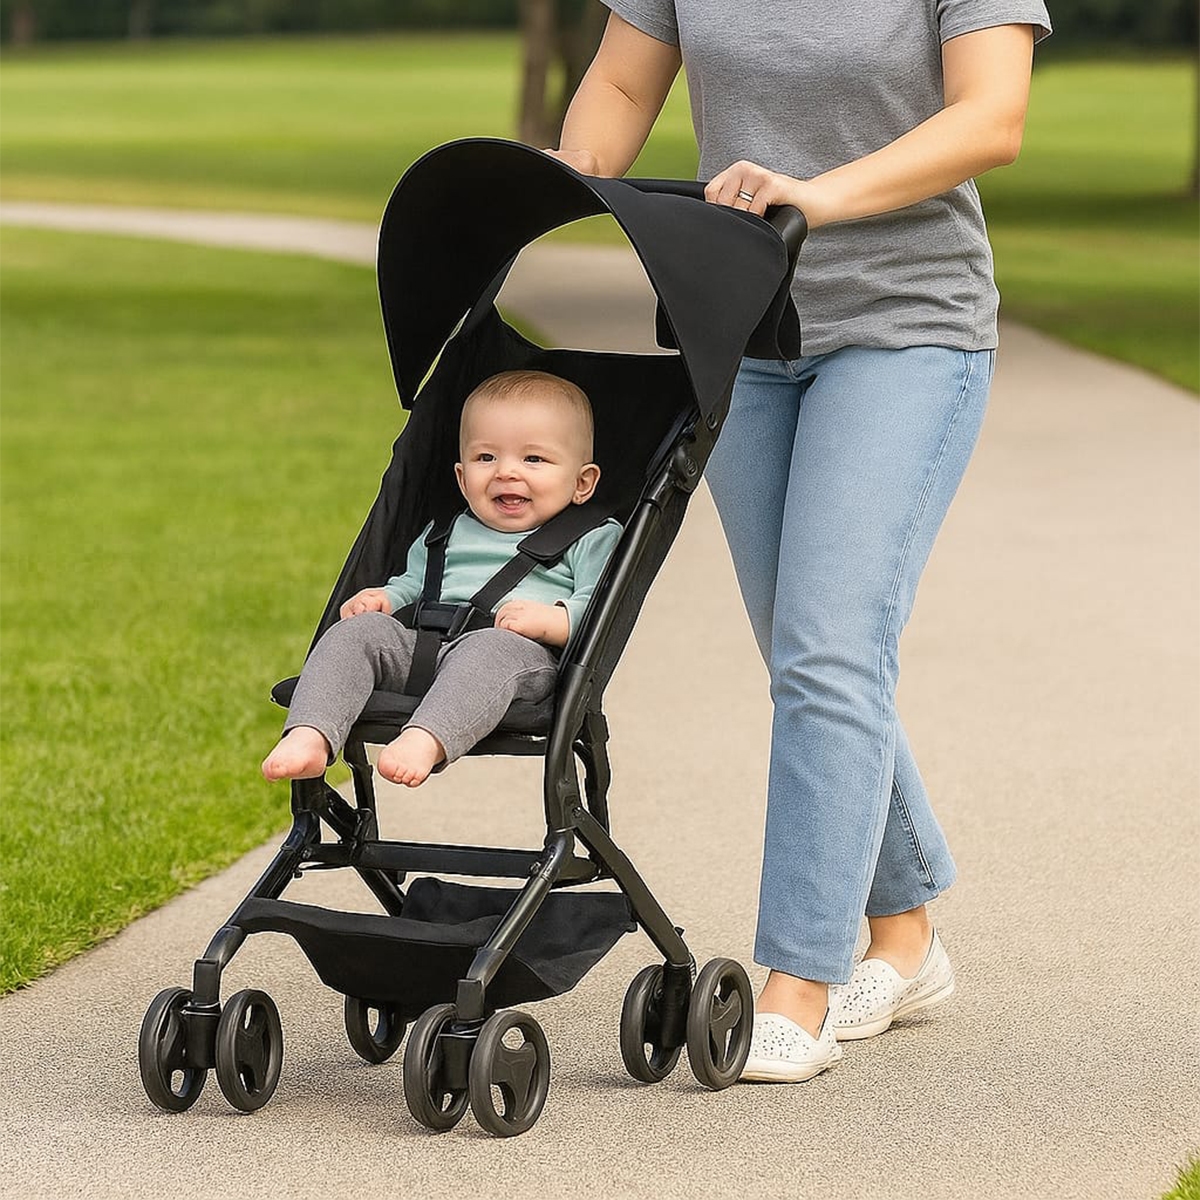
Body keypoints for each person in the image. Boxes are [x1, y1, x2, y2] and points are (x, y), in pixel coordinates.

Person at [549, 0, 1051, 1082]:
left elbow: (990, 118)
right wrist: (560, 187)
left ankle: (800, 980)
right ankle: (907, 935)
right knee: (814, 655)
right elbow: (627, 84)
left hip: (905, 327)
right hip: (738, 324)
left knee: (828, 645)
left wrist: (817, 196)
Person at [262, 369, 621, 789]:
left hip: (520, 660)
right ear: (461, 477)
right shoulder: (445, 531)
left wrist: (554, 621)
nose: (506, 472)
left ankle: (425, 737)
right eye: (486, 457)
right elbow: (414, 582)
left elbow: (601, 608)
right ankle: (311, 732)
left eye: (533, 459)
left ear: (582, 482)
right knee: (355, 633)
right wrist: (386, 599)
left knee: (490, 648)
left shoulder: (591, 537)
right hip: (425, 650)